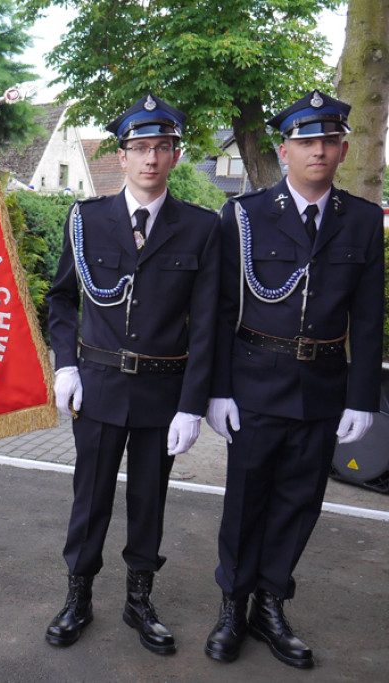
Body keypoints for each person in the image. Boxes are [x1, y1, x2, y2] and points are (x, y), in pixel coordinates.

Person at [203, 91, 384, 669]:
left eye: (329, 141)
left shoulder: (360, 218)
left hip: (324, 386)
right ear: (284, 151)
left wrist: (363, 399)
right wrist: (217, 390)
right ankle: (233, 604)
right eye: (306, 141)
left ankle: (271, 603)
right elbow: (218, 308)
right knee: (247, 500)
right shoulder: (246, 215)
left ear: (343, 149)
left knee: (300, 501)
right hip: (256, 381)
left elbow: (367, 314)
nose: (319, 151)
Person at [43, 94, 220, 655]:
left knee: (150, 498)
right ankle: (79, 597)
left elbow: (208, 324)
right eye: (140, 148)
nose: (151, 158)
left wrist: (193, 404)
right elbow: (63, 299)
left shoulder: (201, 228)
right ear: (121, 157)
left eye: (162, 148)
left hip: (162, 392)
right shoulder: (86, 220)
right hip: (96, 386)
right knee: (89, 496)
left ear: (175, 155)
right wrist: (65, 363)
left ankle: (139, 599)